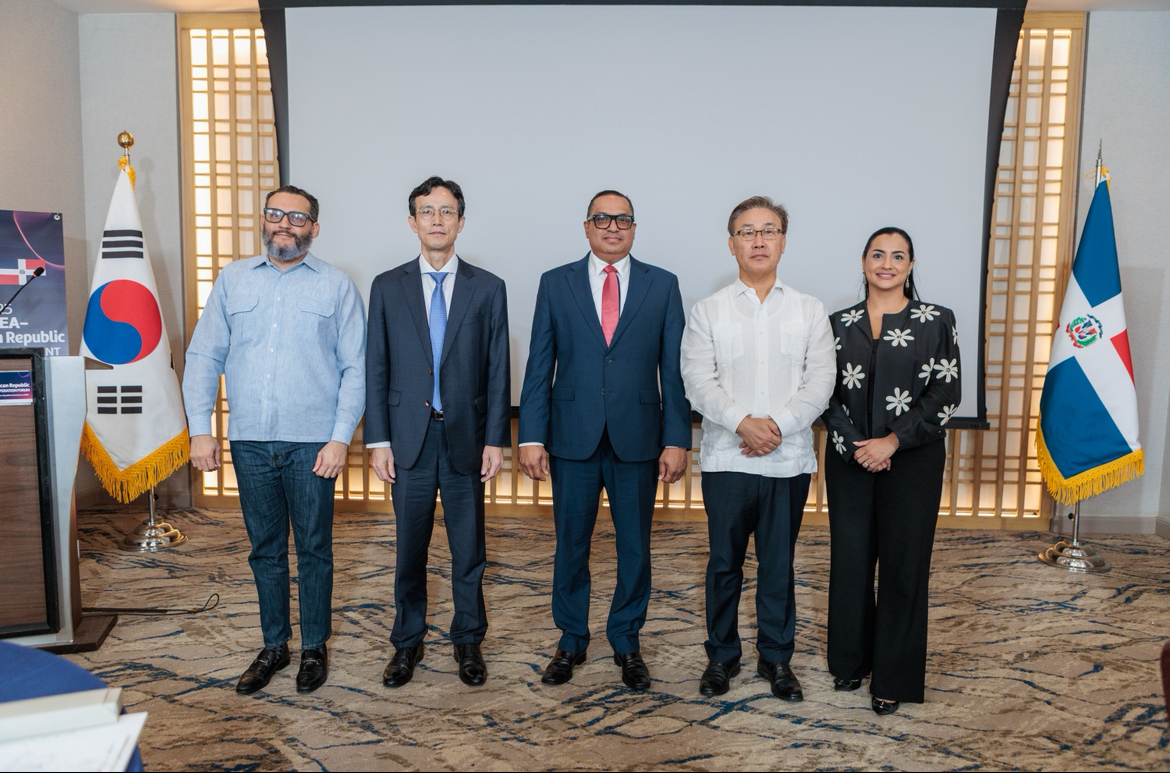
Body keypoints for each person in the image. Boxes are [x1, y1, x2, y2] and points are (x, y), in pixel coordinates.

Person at [184, 184, 366, 694]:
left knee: (313, 549)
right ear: (264, 220)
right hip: (250, 442)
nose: (285, 223)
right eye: (275, 214)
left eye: (298, 217)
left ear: (314, 227)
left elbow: (357, 368)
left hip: (313, 445)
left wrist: (339, 438)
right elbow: (203, 357)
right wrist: (201, 429)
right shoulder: (233, 280)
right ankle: (274, 646)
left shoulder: (336, 284)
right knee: (264, 550)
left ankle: (314, 648)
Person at [518, 190, 691, 690]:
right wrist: (531, 435)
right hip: (571, 438)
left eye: (623, 219)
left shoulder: (663, 285)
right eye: (602, 218)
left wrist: (676, 438)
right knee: (570, 545)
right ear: (587, 226)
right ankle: (571, 638)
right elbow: (538, 366)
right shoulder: (556, 283)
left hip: (639, 439)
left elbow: (673, 371)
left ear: (634, 228)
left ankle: (626, 640)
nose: (612, 227)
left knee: (635, 547)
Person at [680, 196, 835, 700]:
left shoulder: (809, 310)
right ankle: (722, 658)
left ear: (783, 241)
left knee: (778, 565)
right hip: (729, 459)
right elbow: (697, 381)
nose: (759, 240)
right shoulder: (709, 311)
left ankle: (776, 660)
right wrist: (744, 424)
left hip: (787, 461)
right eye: (748, 232)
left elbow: (821, 381)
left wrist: (778, 427)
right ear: (732, 244)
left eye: (769, 230)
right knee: (724, 565)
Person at [365, 176, 510, 689]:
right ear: (413, 222)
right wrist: (377, 440)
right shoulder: (387, 286)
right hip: (408, 440)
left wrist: (496, 438)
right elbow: (376, 368)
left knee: (469, 550)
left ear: (461, 222)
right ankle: (407, 642)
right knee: (411, 548)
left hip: (467, 439)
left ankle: (468, 640)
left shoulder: (488, 287)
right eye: (427, 211)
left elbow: (497, 370)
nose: (437, 220)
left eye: (447, 211)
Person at [821, 226, 961, 715]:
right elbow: (823, 392)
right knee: (852, 561)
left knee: (904, 566)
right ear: (862, 262)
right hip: (849, 458)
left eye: (898, 256)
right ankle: (850, 662)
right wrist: (859, 446)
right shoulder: (836, 323)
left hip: (914, 460)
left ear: (911, 265)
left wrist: (892, 442)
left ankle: (893, 675)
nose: (887, 263)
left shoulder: (937, 320)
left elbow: (946, 394)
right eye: (878, 254)